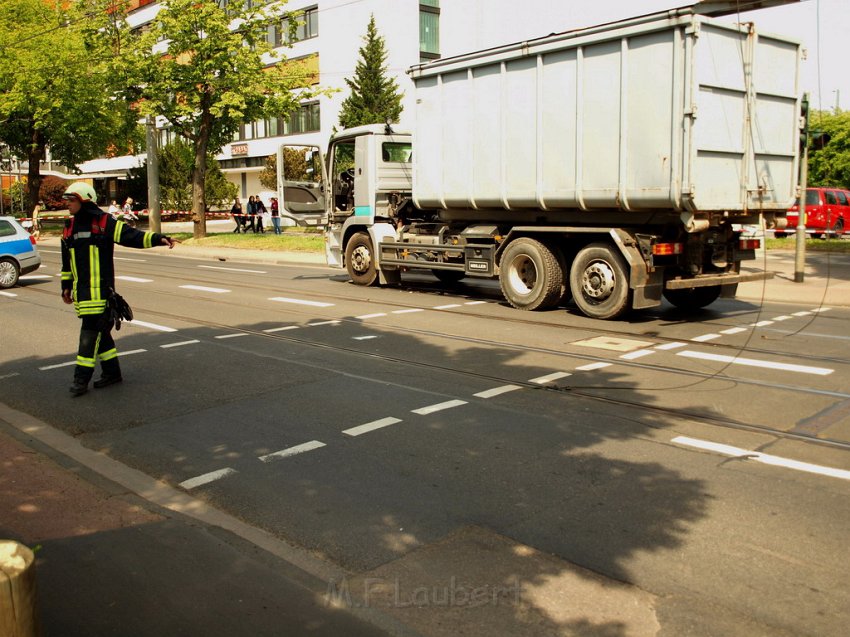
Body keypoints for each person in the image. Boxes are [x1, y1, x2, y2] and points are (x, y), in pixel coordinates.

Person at [60, 182, 177, 397]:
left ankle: (80, 380)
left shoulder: (104, 223)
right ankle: (112, 373)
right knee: (101, 333)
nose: (67, 204)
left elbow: (132, 236)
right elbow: (66, 264)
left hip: (101, 294)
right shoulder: (68, 228)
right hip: (82, 294)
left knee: (88, 337)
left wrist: (159, 238)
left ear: (84, 200)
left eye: (71, 200)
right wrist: (65, 287)